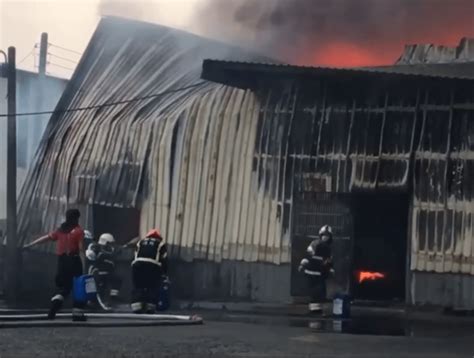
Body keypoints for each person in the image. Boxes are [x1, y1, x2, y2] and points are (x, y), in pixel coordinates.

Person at [23, 208, 87, 321]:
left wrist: (30, 244)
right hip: (74, 260)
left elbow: (47, 238)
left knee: (63, 287)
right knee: (78, 286)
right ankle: (78, 314)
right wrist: (84, 264)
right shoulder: (78, 231)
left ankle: (54, 307)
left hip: (61, 261)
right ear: (76, 218)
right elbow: (81, 249)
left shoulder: (60, 230)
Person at [123, 229, 168, 314]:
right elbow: (164, 260)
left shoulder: (140, 242)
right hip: (153, 266)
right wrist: (164, 273)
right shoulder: (161, 244)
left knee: (138, 286)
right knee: (152, 287)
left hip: (137, 265)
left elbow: (135, 255)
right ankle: (149, 308)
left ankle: (137, 307)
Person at [298, 224, 334, 314]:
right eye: (324, 235)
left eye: (327, 236)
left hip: (319, 273)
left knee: (320, 292)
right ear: (320, 235)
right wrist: (302, 264)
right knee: (315, 292)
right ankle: (314, 312)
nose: (325, 238)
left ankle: (317, 310)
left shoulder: (328, 248)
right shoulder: (315, 244)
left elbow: (328, 261)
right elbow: (307, 255)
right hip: (311, 272)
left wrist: (330, 269)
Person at [85, 233, 121, 300]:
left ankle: (113, 298)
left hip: (108, 272)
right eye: (109, 243)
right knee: (96, 287)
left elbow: (113, 255)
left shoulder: (110, 249)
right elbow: (90, 255)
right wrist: (95, 253)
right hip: (97, 271)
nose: (110, 245)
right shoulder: (95, 247)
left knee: (117, 280)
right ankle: (92, 300)